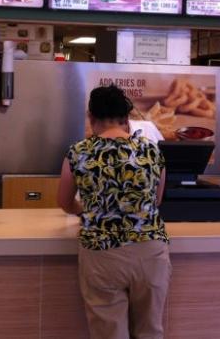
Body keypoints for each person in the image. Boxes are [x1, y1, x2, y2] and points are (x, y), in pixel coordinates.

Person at [58, 85, 170, 339]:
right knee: (150, 331)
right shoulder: (152, 150)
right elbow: (156, 200)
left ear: (91, 117)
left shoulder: (79, 152)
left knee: (109, 333)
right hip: (150, 252)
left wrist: (85, 210)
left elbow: (64, 201)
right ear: (125, 118)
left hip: (102, 253)